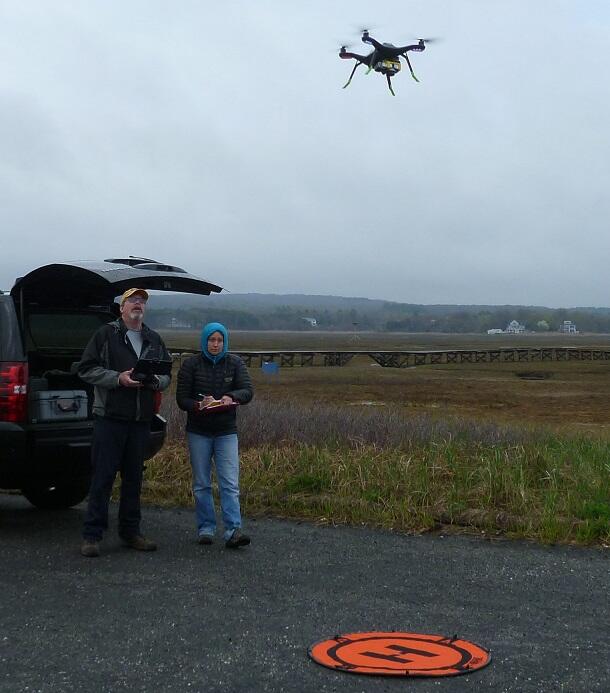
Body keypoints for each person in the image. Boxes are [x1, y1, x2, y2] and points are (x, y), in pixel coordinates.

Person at [78, 288, 171, 557]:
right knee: (103, 477)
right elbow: (86, 369)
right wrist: (118, 378)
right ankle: (92, 535)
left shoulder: (153, 338)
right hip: (110, 418)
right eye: (133, 300)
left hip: (140, 420)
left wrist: (154, 382)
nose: (138, 304)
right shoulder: (106, 334)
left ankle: (131, 533)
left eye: (142, 301)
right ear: (122, 307)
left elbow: (166, 375)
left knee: (133, 479)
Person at [176, 322, 253, 548]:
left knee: (229, 482)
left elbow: (247, 391)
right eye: (211, 340)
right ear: (204, 341)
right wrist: (198, 405)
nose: (216, 344)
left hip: (226, 431)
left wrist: (230, 396)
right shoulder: (190, 365)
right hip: (199, 431)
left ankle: (233, 530)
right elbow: (182, 399)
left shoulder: (236, 363)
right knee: (201, 483)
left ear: (225, 342)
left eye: (219, 340)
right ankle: (206, 528)